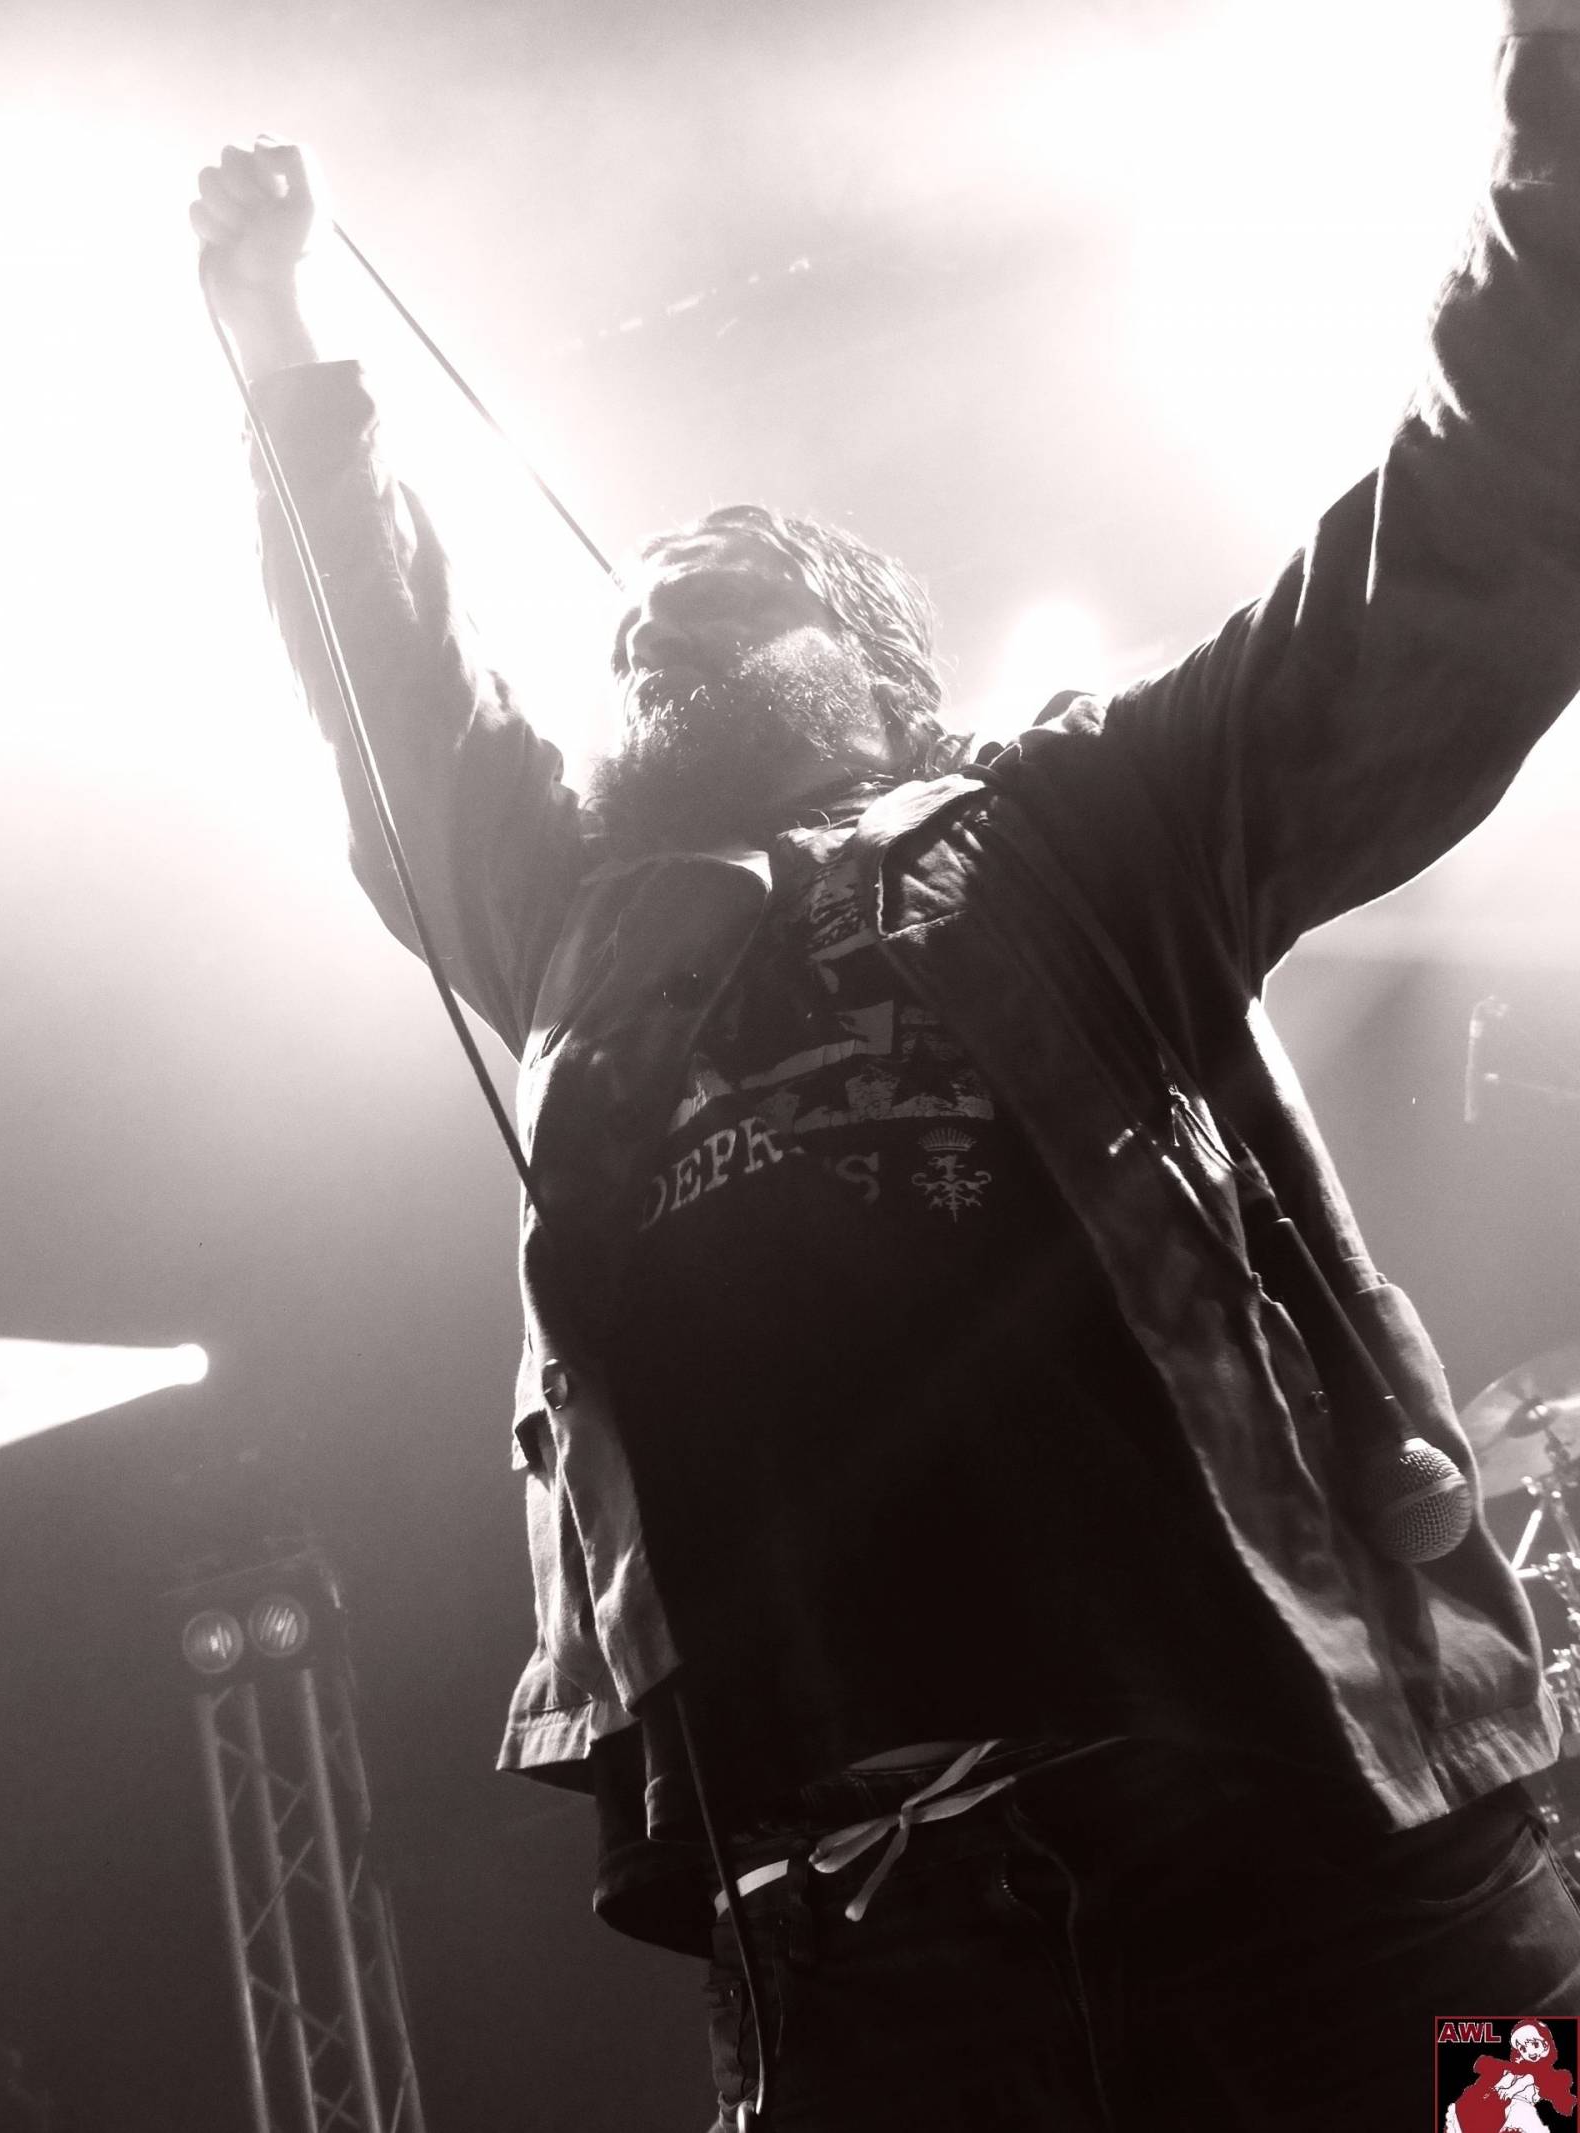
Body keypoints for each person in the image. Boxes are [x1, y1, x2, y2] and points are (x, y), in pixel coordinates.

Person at [192, 12, 1580, 2122]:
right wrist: (279, 345)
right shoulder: (577, 935)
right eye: (633, 633)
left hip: (1337, 1862)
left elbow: (1462, 545)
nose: (648, 627)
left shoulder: (1086, 818)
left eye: (723, 591)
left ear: (878, 660)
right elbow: (397, 695)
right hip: (869, 1957)